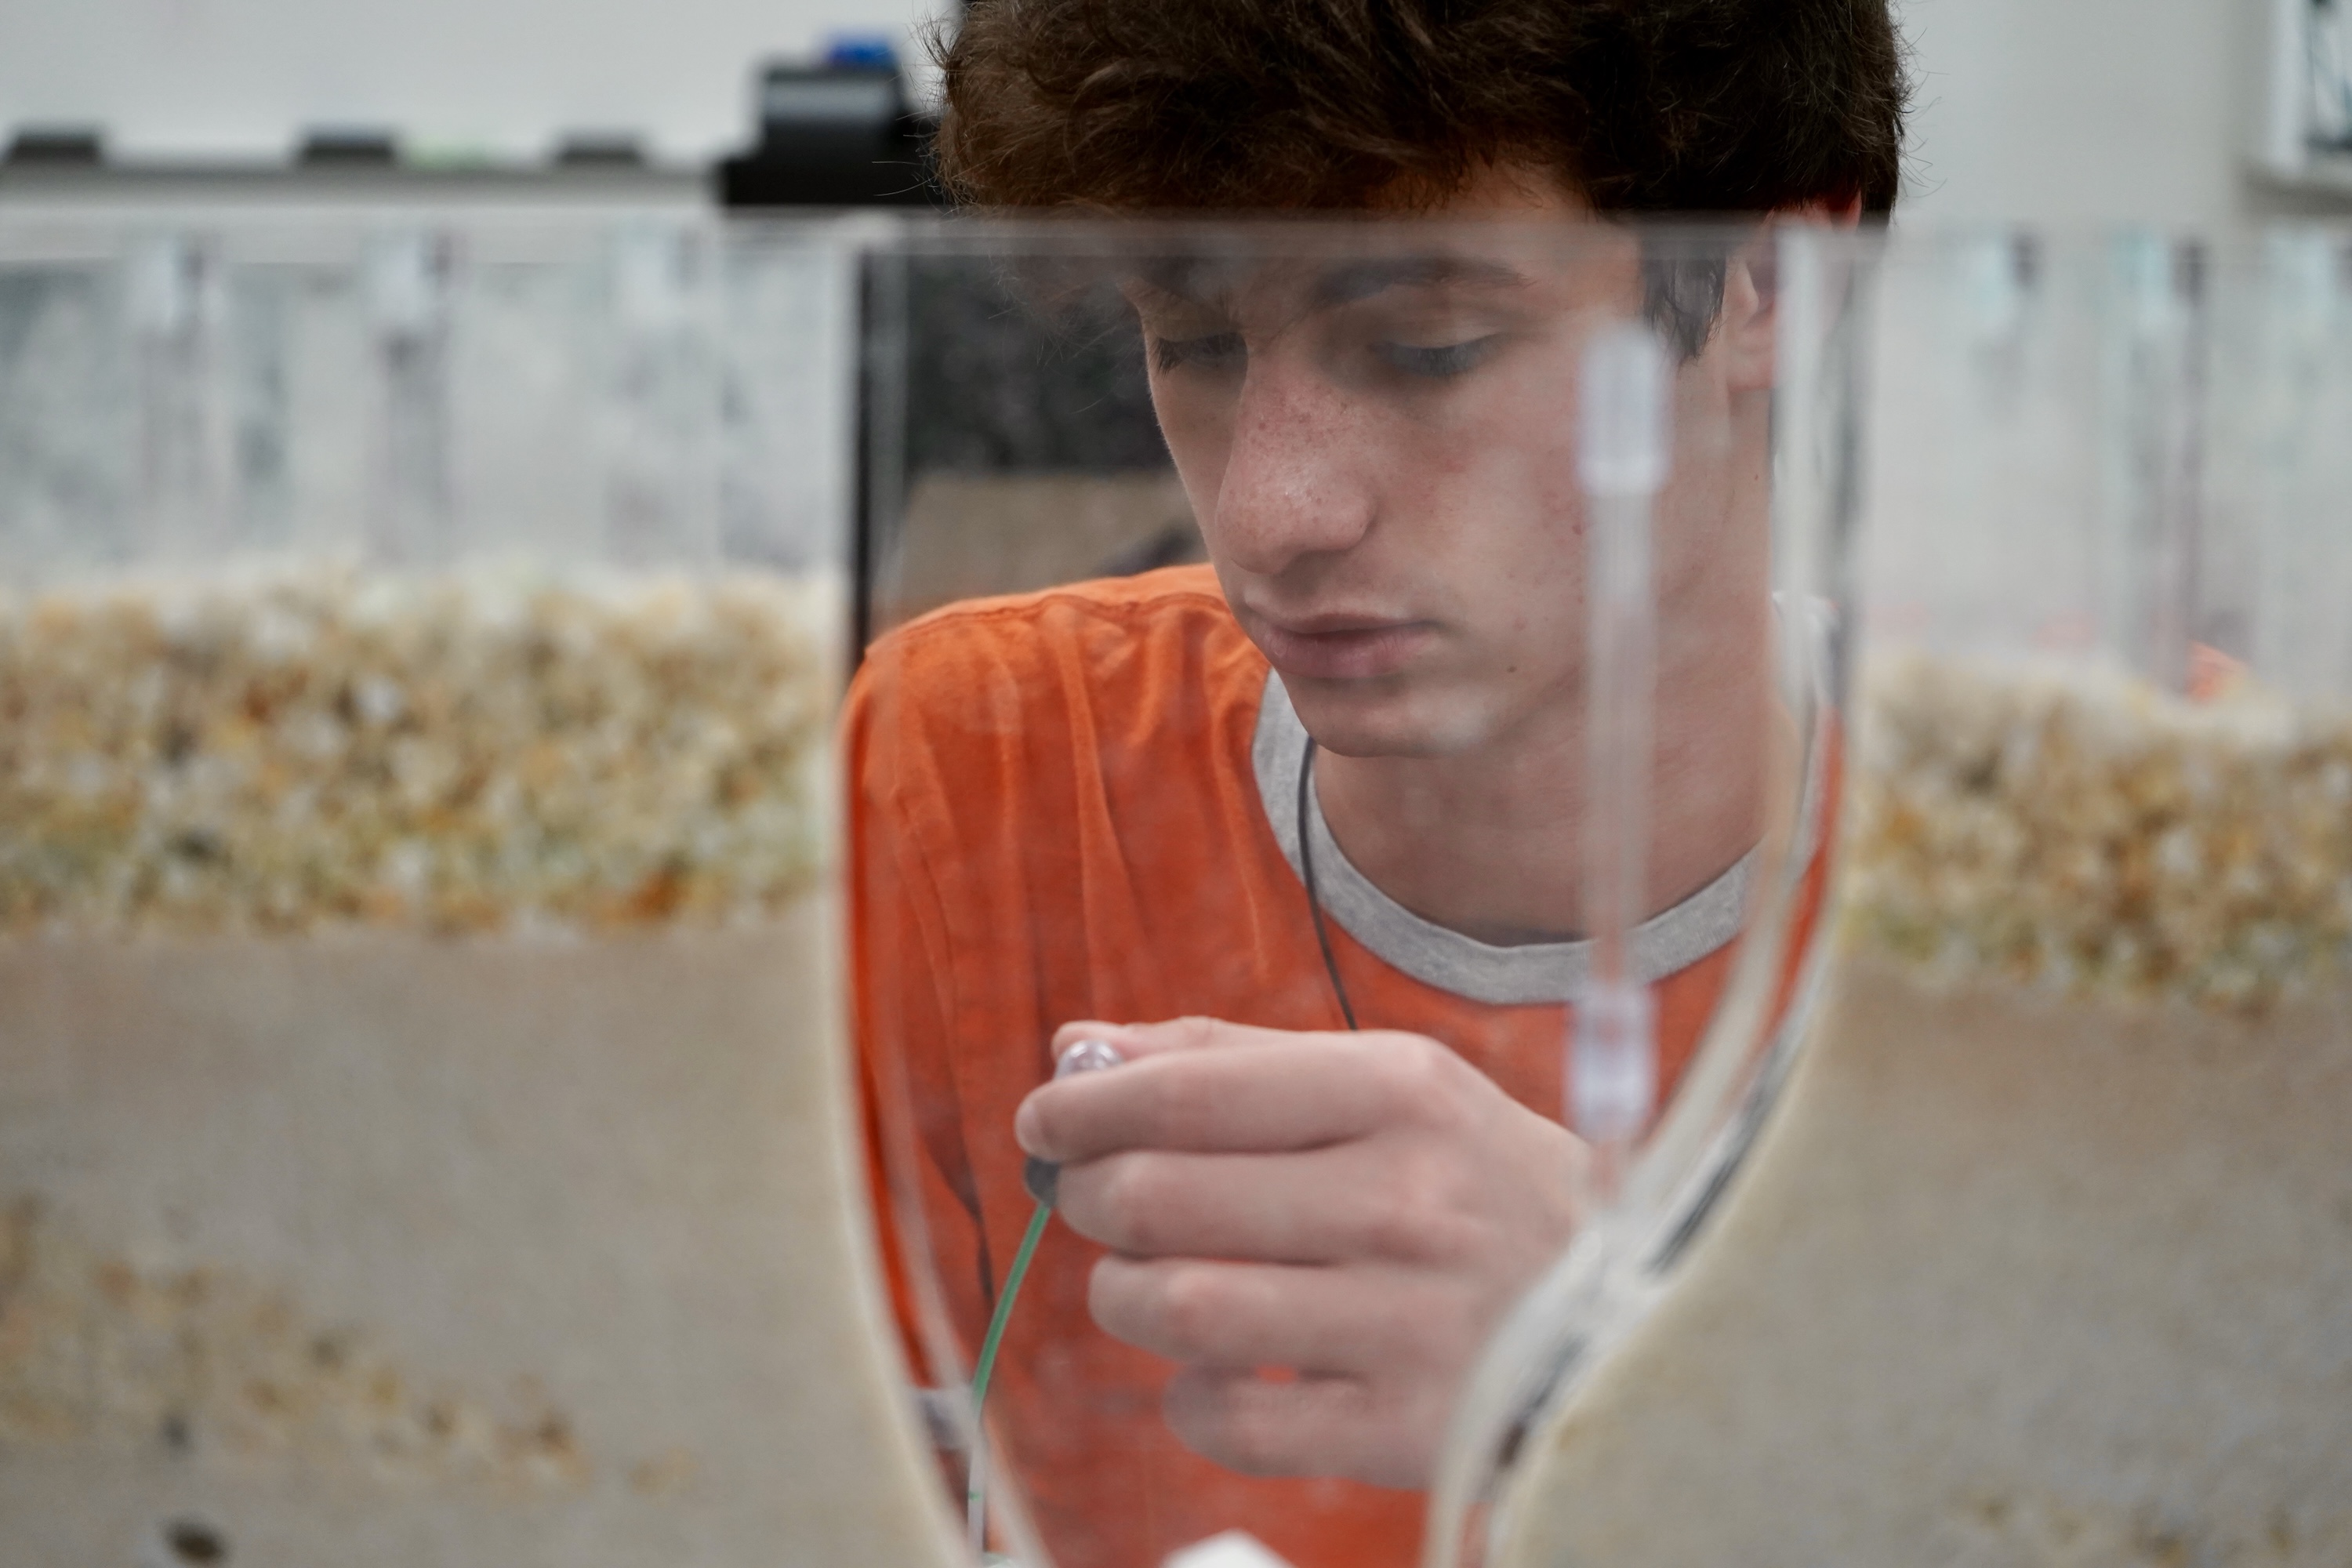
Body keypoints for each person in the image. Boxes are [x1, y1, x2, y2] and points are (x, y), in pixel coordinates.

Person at [848, 4, 1906, 1565]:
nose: (1273, 512)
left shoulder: (2118, 872)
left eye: (1429, 347)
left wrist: (1665, 1363)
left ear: (1767, 281)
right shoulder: (986, 770)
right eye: (1194, 341)